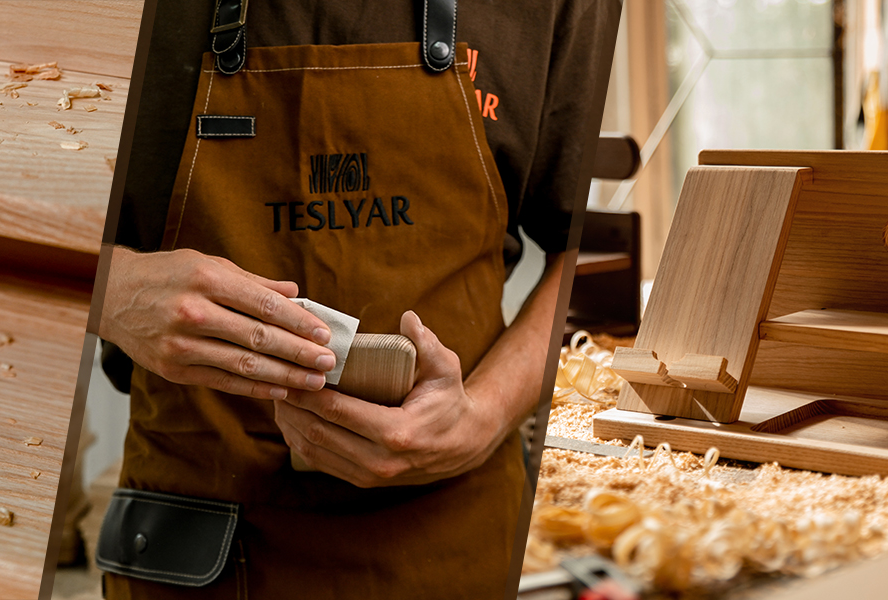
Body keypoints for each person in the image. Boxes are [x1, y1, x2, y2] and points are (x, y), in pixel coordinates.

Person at [93, 1, 618, 597]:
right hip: (200, 548)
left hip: (456, 542)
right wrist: (111, 289)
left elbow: (593, 252)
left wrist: (486, 415)